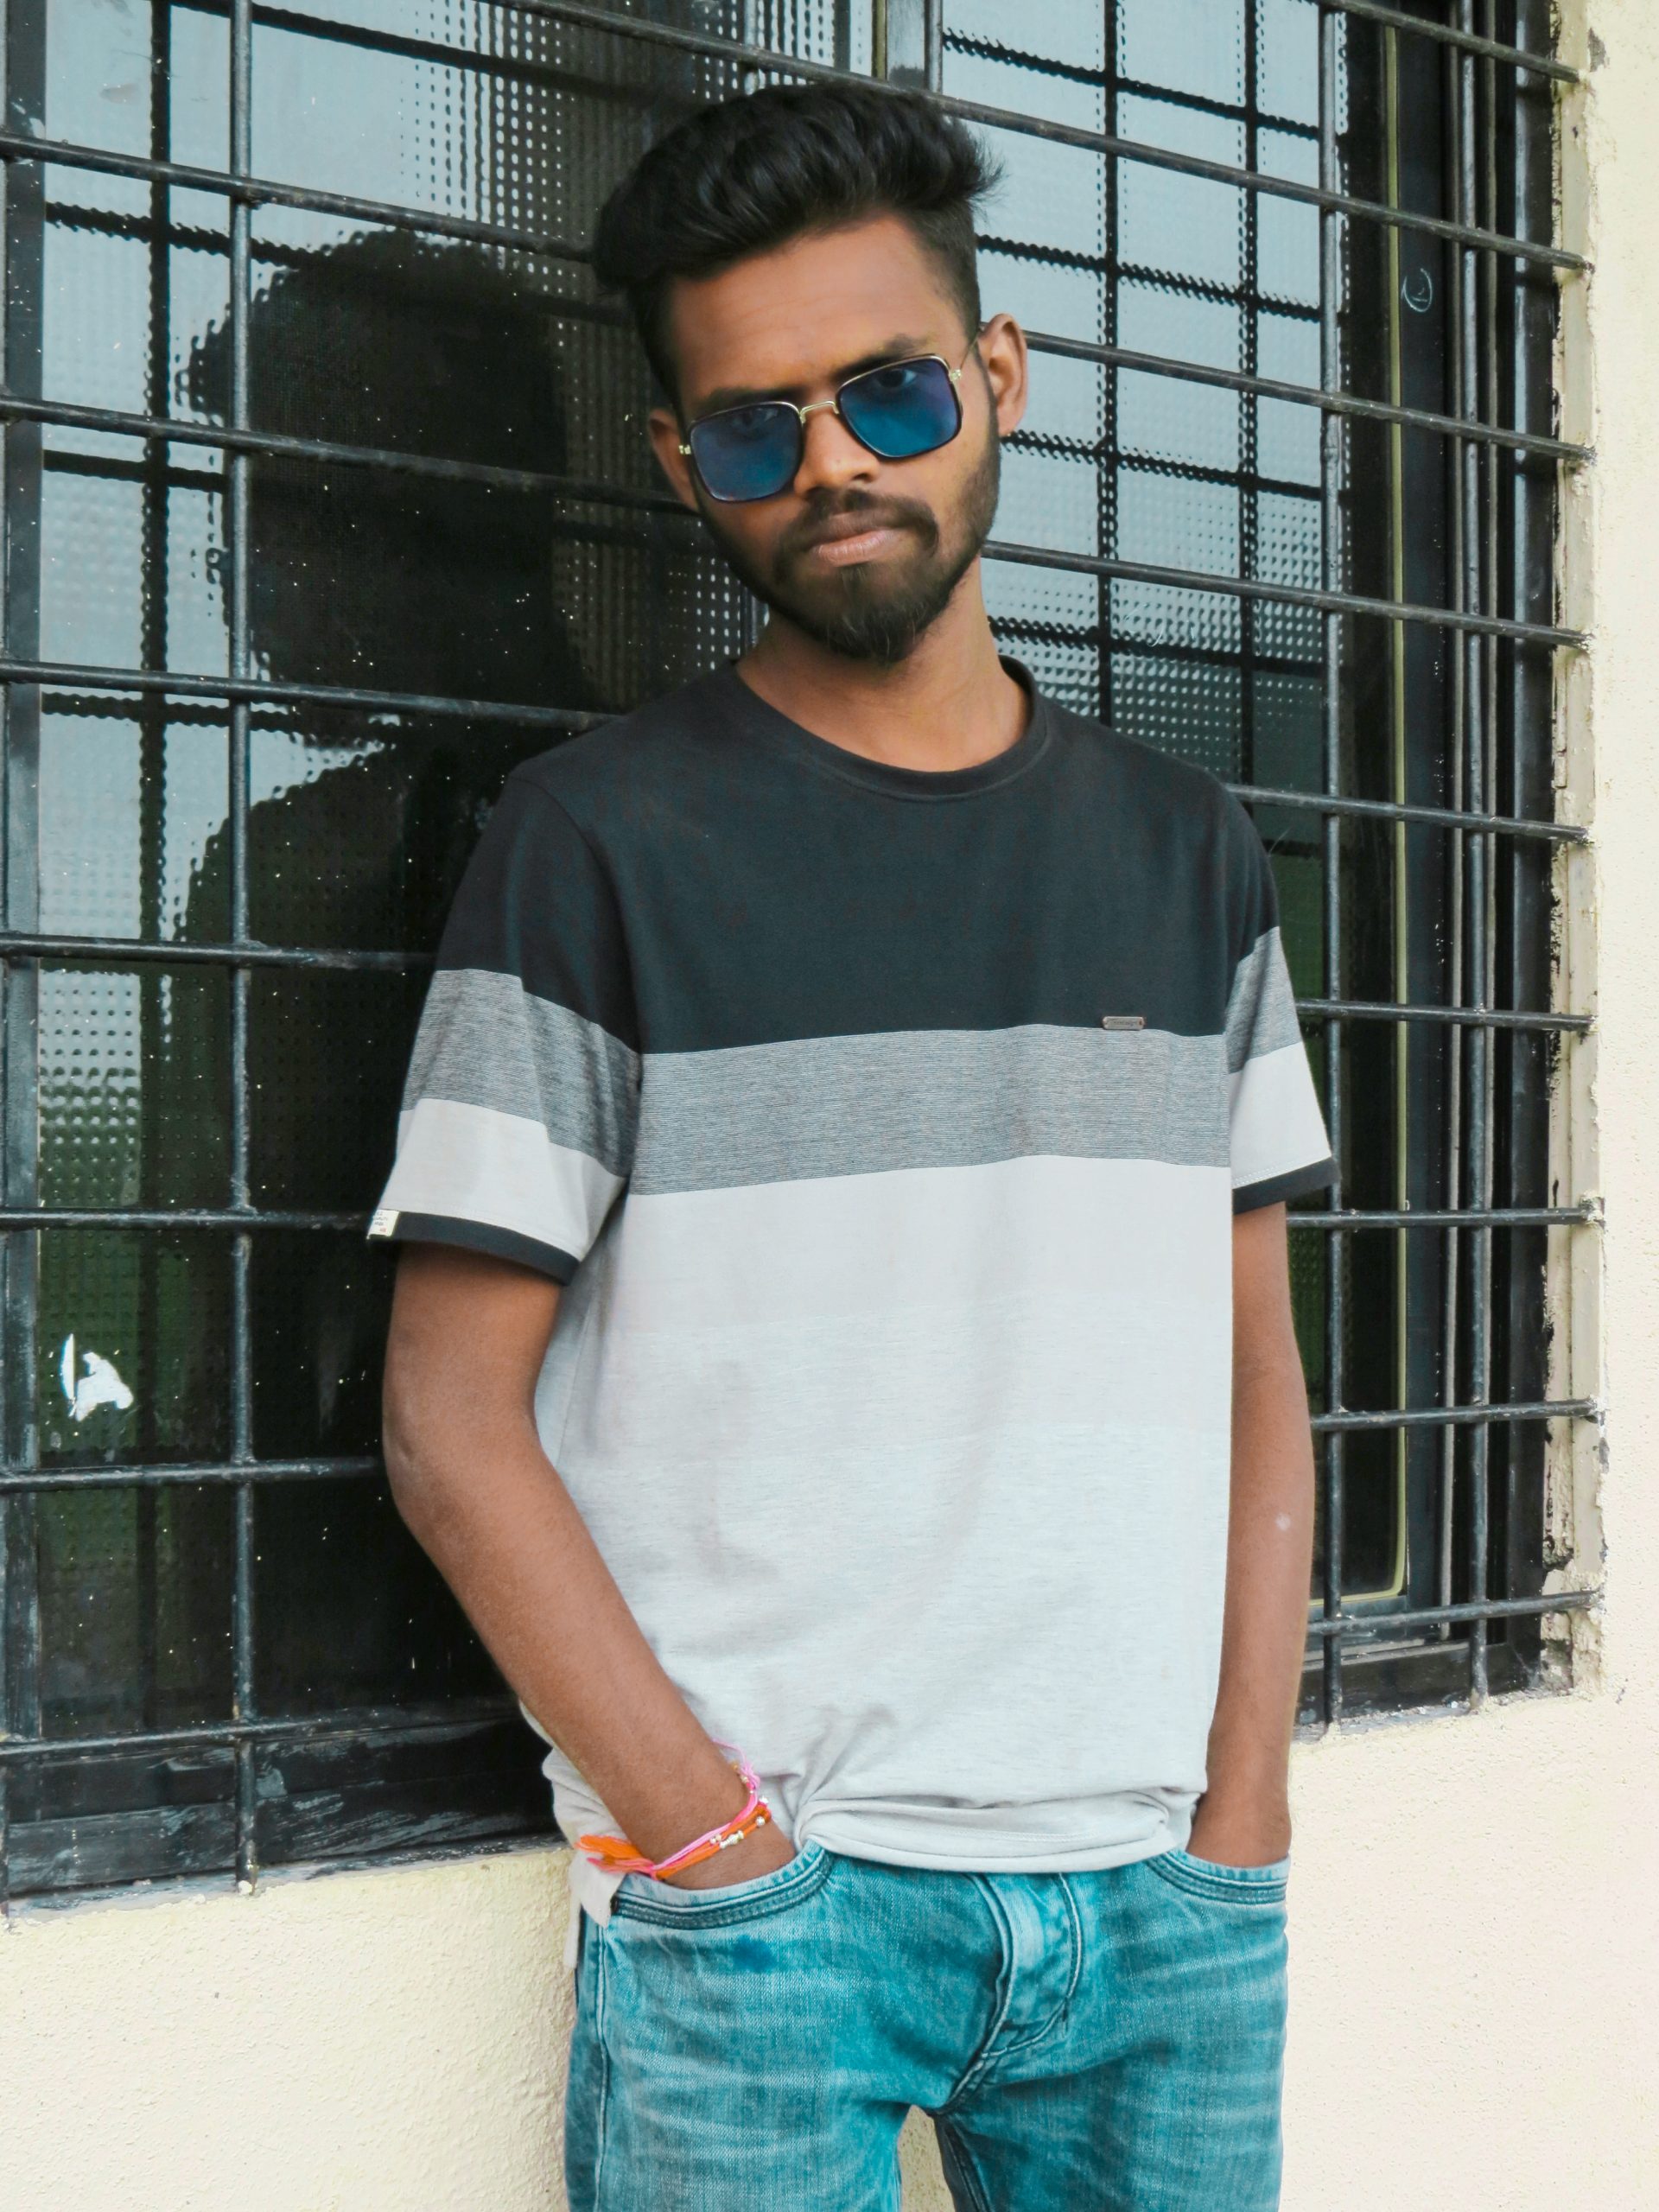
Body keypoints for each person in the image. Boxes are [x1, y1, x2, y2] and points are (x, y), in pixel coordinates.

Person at [373, 80, 1335, 2212]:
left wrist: (1240, 1813)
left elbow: (1254, 1359)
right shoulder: (590, 849)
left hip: (1163, 1906)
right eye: (753, 426)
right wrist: (714, 1847)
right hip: (761, 1920)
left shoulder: (1192, 859)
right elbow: (450, 1419)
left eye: (889, 393)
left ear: (997, 373)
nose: (830, 466)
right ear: (679, 464)